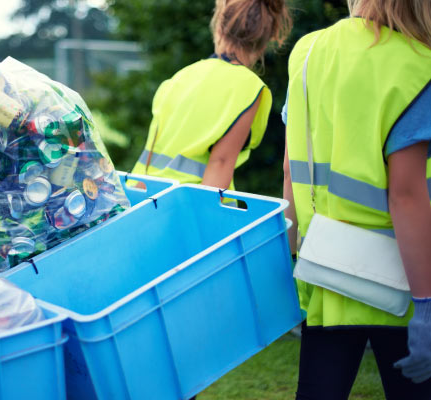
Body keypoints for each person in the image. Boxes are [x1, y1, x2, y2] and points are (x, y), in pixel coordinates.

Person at [282, 0, 431, 398]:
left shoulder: (308, 51)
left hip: (325, 274)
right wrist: (428, 305)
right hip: (401, 283)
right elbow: (407, 195)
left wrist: (288, 263)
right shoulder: (418, 65)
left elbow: (290, 169)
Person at [132, 0, 291, 190]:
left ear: (219, 28)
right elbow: (220, 163)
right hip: (188, 208)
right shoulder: (248, 87)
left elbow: (150, 155)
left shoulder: (181, 76)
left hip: (143, 199)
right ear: (267, 39)